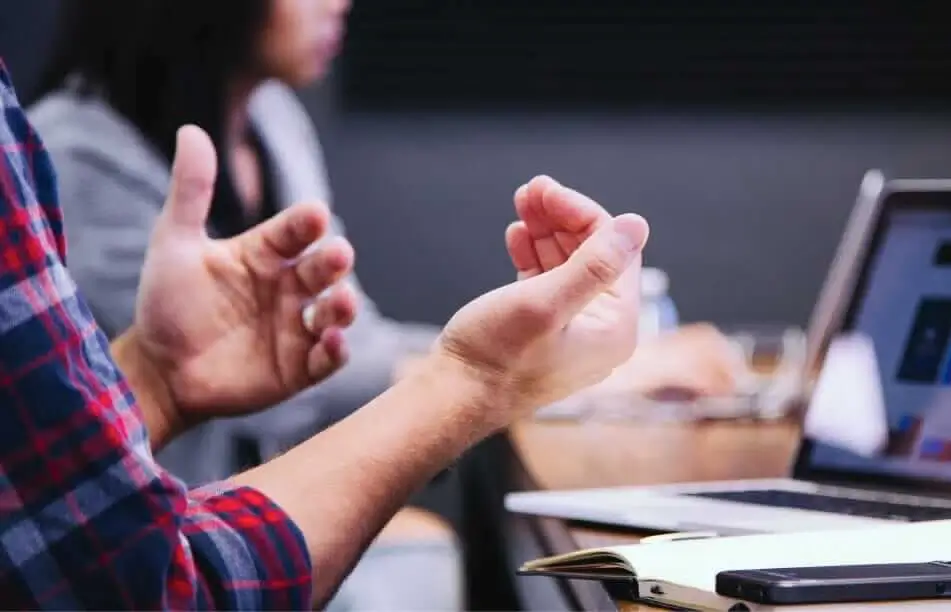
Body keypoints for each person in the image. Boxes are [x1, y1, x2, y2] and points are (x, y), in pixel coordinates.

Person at [28, 0, 741, 607]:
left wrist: (532, 363)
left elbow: (339, 342)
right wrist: (545, 372)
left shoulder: (270, 118)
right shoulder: (73, 156)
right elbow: (312, 385)